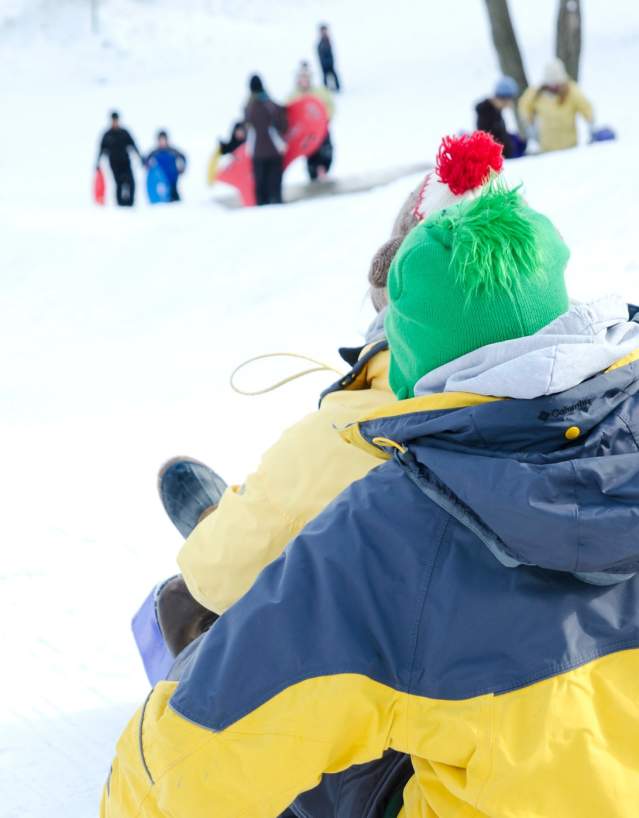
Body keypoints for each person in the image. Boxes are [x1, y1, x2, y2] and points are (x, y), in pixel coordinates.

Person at [519, 57, 594, 152]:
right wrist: (529, 124)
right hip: (546, 146)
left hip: (570, 146)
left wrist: (590, 122)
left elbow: (585, 106)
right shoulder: (536, 93)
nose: (554, 86)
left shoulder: (571, 91)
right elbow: (524, 105)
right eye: (551, 83)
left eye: (557, 83)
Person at [244, 74, 288, 206]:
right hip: (275, 150)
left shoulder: (248, 107)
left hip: (257, 152)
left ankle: (261, 206)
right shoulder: (270, 104)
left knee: (260, 185)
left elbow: (246, 128)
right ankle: (277, 202)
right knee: (275, 184)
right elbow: (282, 125)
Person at [288, 61, 335, 181]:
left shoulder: (319, 92)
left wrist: (326, 119)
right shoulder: (294, 96)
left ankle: (324, 169)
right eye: (302, 78)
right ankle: (314, 173)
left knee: (325, 151)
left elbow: (330, 106)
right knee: (311, 153)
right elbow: (288, 113)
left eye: (306, 78)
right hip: (306, 133)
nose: (304, 81)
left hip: (321, 128)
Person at [96, 111, 143, 207]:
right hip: (114, 164)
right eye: (113, 120)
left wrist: (140, 157)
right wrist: (97, 163)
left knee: (131, 182)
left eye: (116, 120)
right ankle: (120, 204)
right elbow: (101, 150)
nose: (115, 122)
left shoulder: (124, 133)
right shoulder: (107, 135)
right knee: (119, 183)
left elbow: (133, 145)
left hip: (126, 162)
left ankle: (130, 203)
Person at [475, 75, 524, 158]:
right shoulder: (486, 114)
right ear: (504, 98)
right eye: (511, 99)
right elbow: (491, 142)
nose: (511, 103)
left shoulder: (496, 111)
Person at [145, 130, 187, 202]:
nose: (162, 142)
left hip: (172, 178)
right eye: (160, 140)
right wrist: (148, 167)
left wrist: (182, 168)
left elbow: (183, 157)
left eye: (163, 140)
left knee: (175, 198)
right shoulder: (155, 152)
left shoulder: (172, 151)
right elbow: (145, 160)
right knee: (163, 199)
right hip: (161, 180)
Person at [317, 23, 341, 91]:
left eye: (325, 30)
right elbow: (320, 54)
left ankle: (337, 88)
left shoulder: (328, 40)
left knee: (334, 75)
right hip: (324, 63)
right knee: (325, 77)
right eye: (323, 31)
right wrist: (323, 62)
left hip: (330, 62)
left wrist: (331, 61)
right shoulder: (320, 42)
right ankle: (326, 90)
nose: (324, 32)